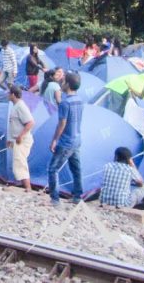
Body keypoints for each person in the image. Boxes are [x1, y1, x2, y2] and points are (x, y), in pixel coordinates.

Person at [48, 71, 84, 205]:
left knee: (53, 169)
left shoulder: (65, 103)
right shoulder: (80, 100)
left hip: (66, 140)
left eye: (63, 82)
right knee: (76, 169)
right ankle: (77, 196)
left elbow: (62, 123)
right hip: (77, 138)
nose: (61, 84)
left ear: (67, 84)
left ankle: (54, 199)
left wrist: (54, 139)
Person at [100, 147, 144, 211]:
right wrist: (132, 165)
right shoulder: (130, 169)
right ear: (129, 159)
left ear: (116, 156)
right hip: (122, 204)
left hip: (104, 201)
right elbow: (141, 183)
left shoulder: (107, 166)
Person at [6, 85, 35, 190]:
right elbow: (14, 124)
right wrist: (10, 139)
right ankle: (24, 185)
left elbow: (30, 122)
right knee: (18, 163)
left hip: (22, 140)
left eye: (9, 93)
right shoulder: (16, 106)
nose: (8, 95)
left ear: (13, 95)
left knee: (20, 163)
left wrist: (20, 136)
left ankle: (28, 188)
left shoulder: (21, 106)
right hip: (16, 139)